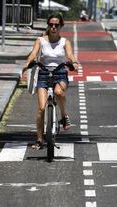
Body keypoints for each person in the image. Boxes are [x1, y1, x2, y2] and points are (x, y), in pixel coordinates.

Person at [22, 13, 79, 150]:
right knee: (41, 108)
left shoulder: (65, 42)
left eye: (56, 25)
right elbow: (33, 54)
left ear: (61, 26)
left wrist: (74, 63)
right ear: (48, 25)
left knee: (59, 93)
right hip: (44, 74)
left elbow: (70, 55)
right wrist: (27, 63)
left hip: (60, 73)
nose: (53, 27)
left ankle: (64, 116)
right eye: (51, 25)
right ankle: (40, 140)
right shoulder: (40, 40)